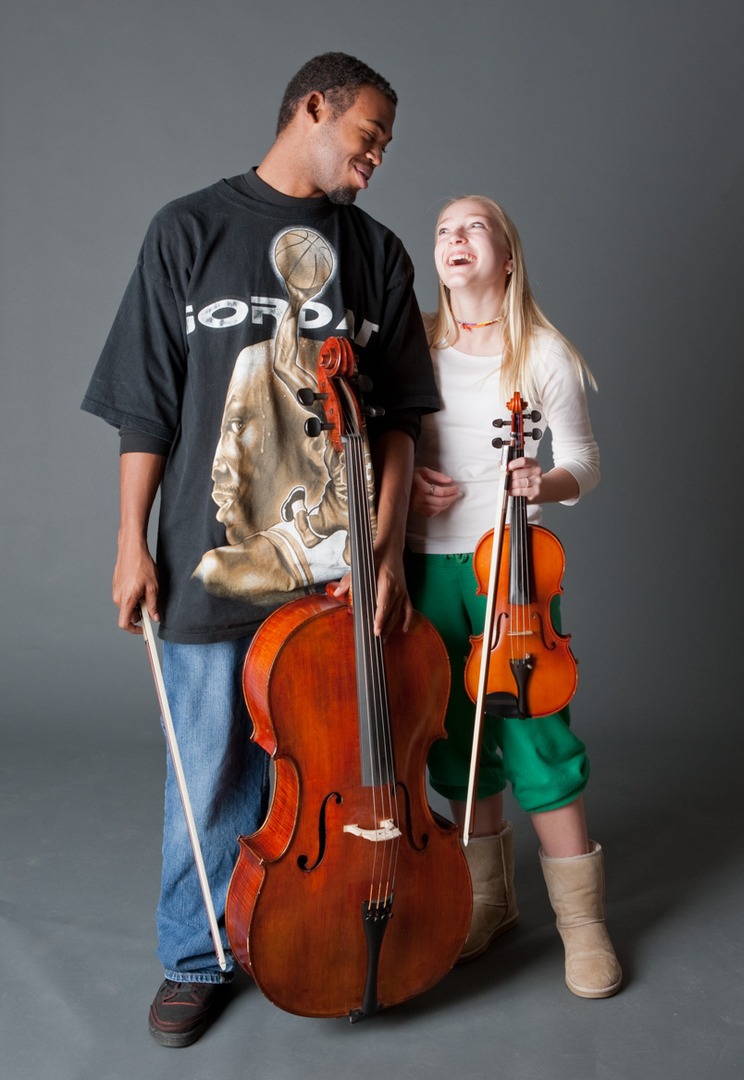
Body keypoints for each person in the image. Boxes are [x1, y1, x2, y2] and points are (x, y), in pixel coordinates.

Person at [81, 53, 440, 1047]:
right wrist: (129, 542)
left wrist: (384, 555)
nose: (379, 154)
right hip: (207, 555)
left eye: (387, 144)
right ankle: (196, 958)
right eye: (370, 132)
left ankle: (320, 925)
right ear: (312, 106)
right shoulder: (186, 231)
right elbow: (145, 406)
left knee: (328, 768)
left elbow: (402, 422)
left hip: (333, 579)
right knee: (210, 767)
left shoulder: (379, 254)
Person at [406, 195, 621, 999]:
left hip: (514, 580)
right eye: (442, 231)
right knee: (457, 745)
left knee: (538, 741)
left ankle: (583, 927)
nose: (454, 240)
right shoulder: (413, 347)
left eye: (473, 228)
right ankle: (488, 903)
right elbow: (391, 448)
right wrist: (410, 487)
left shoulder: (544, 353)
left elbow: (588, 463)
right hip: (429, 566)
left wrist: (546, 479)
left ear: (504, 252)